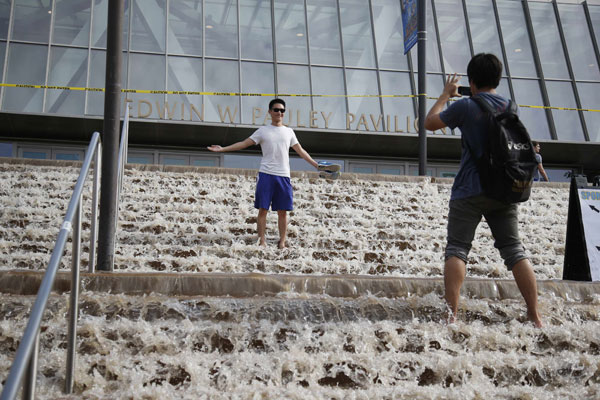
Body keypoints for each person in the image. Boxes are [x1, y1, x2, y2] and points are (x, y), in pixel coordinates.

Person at [424, 53, 542, 328]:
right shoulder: (511, 107)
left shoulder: (466, 106)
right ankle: (535, 316)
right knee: (514, 250)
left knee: (457, 249)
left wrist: (445, 95)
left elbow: (429, 123)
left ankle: (451, 315)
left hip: (469, 190)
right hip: (505, 188)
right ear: (498, 79)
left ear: (472, 81)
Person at [207, 98, 319, 249]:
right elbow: (243, 143)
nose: (279, 112)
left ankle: (282, 241)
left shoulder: (289, 132)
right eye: (276, 110)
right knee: (263, 210)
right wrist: (223, 149)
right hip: (266, 174)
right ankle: (261, 240)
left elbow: (301, 151)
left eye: (282, 110)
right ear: (270, 112)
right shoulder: (263, 131)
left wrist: (316, 165)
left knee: (283, 212)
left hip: (284, 176)